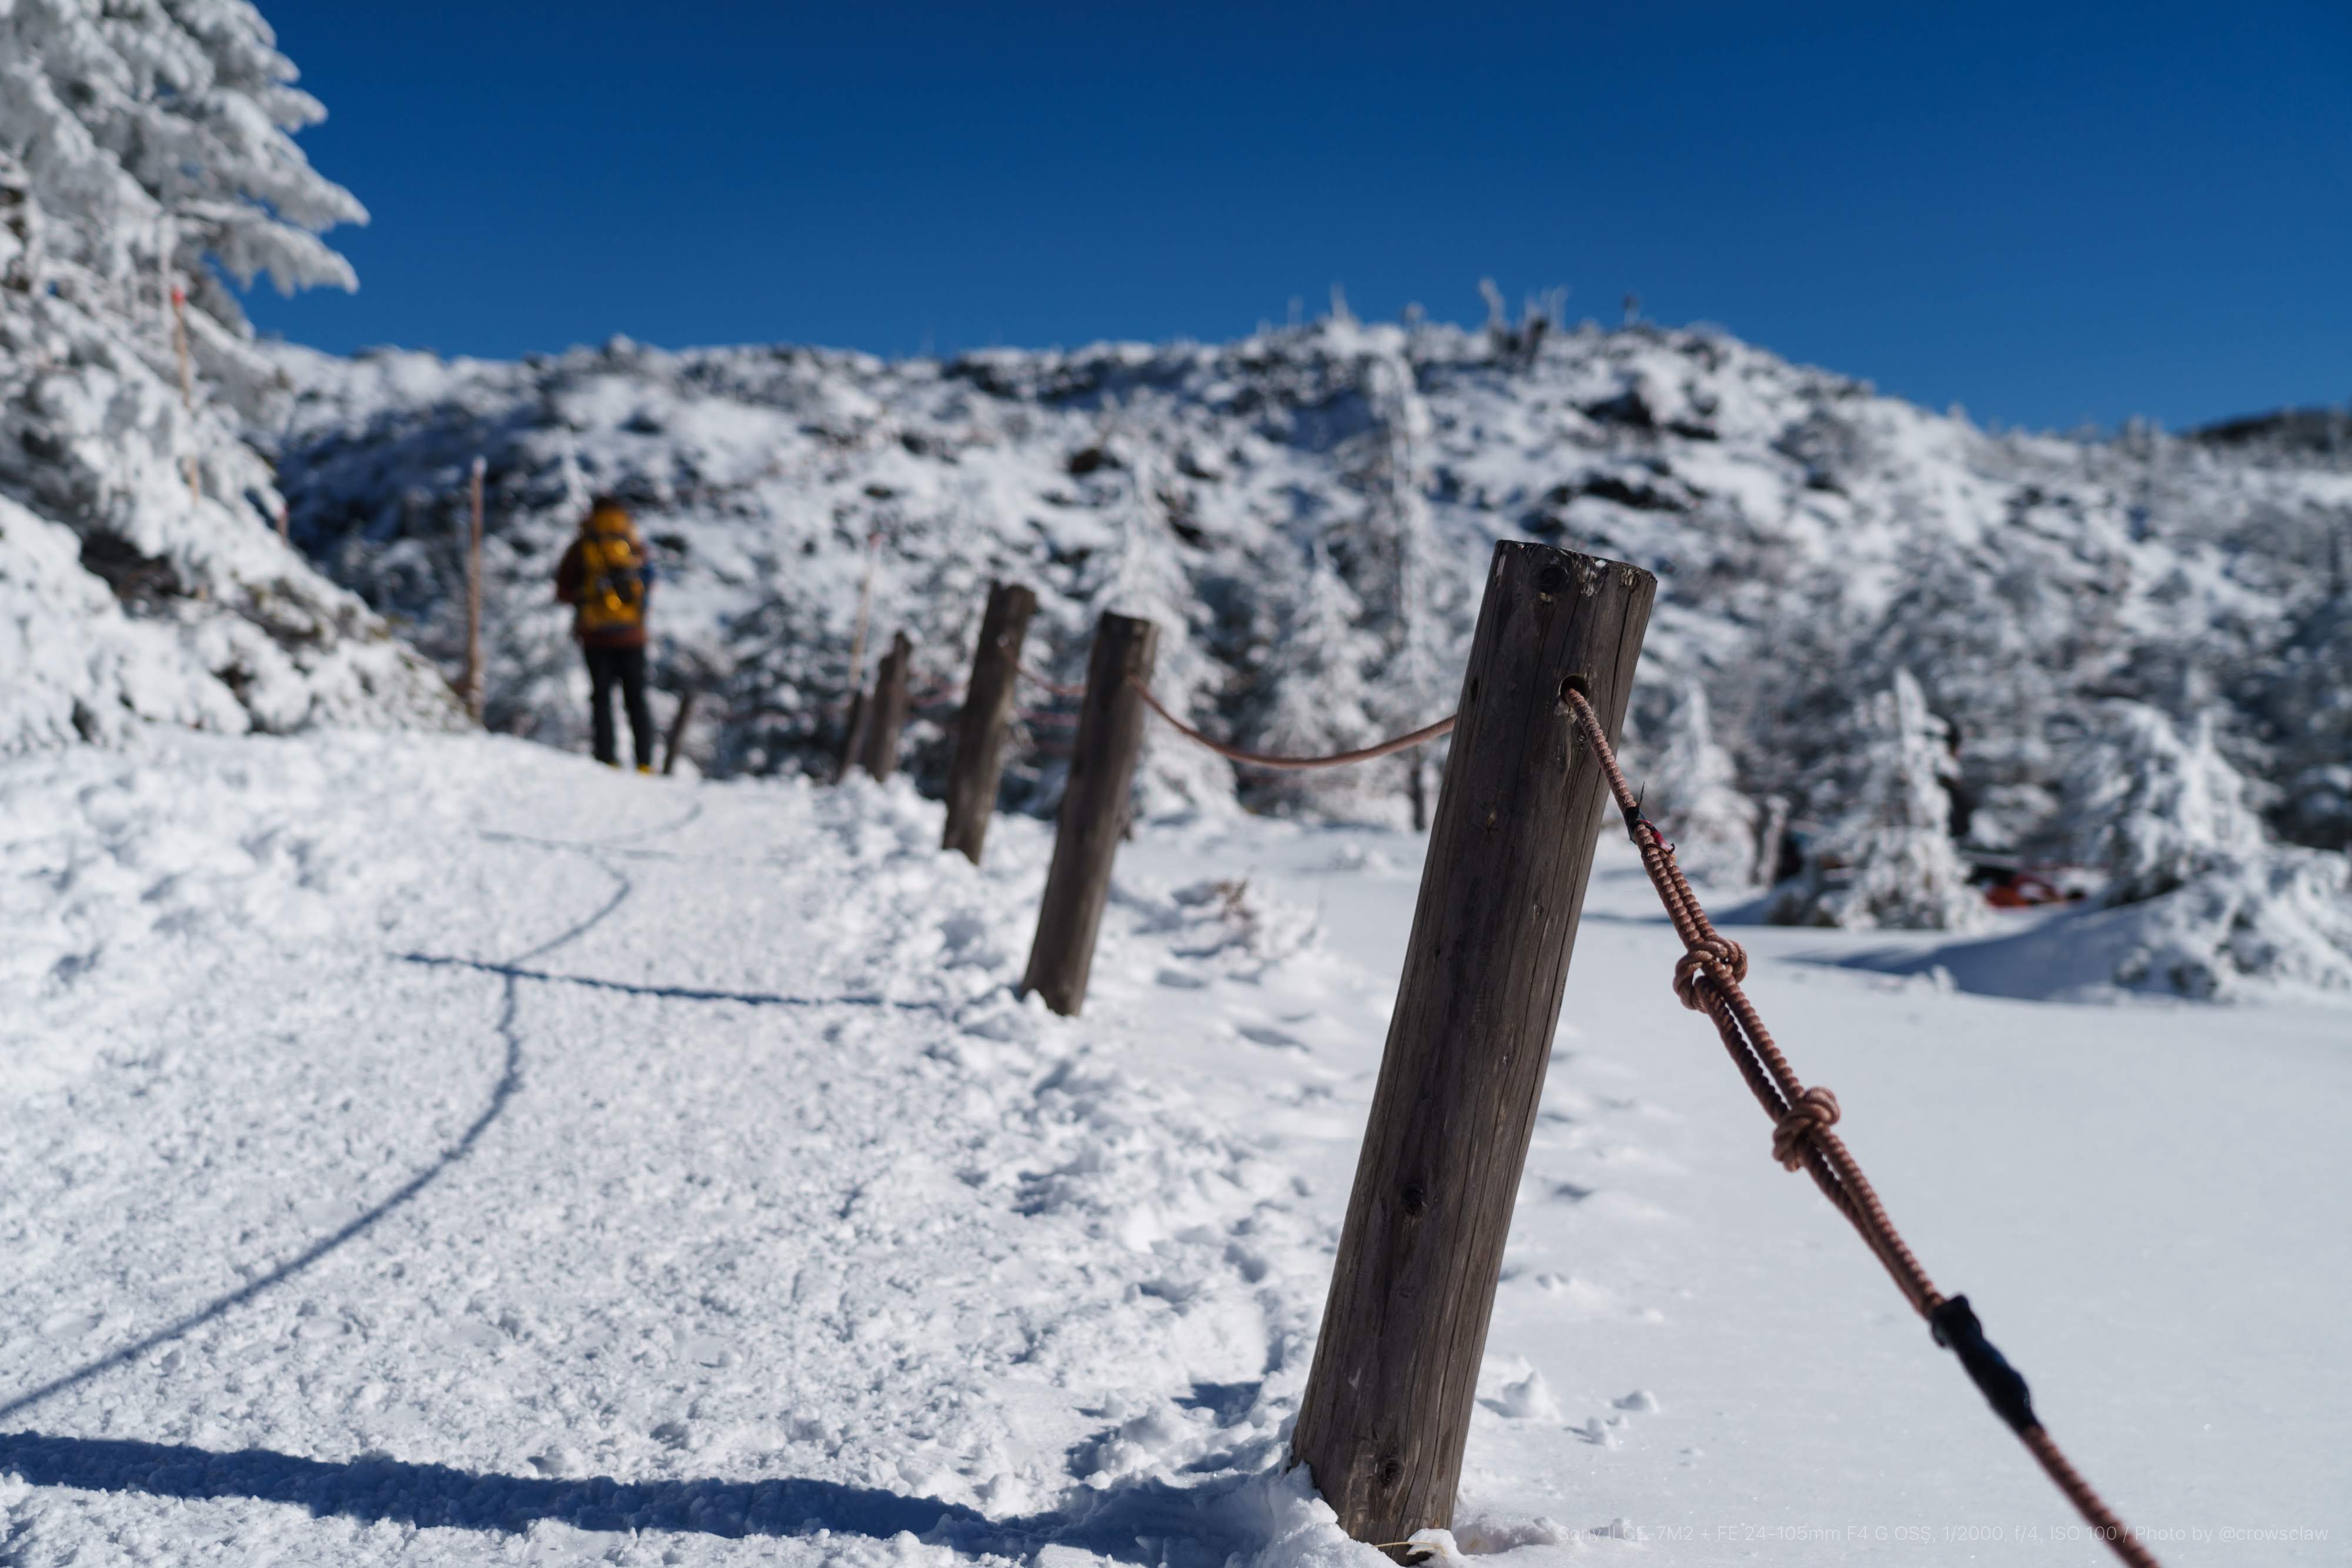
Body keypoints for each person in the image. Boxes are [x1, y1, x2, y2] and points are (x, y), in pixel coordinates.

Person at [553, 496, 657, 770]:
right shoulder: (632, 543)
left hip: (595, 637)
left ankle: (607, 759)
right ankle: (645, 762)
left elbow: (562, 591)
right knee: (636, 698)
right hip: (633, 636)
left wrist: (585, 597)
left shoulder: (583, 545)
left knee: (601, 698)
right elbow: (648, 583)